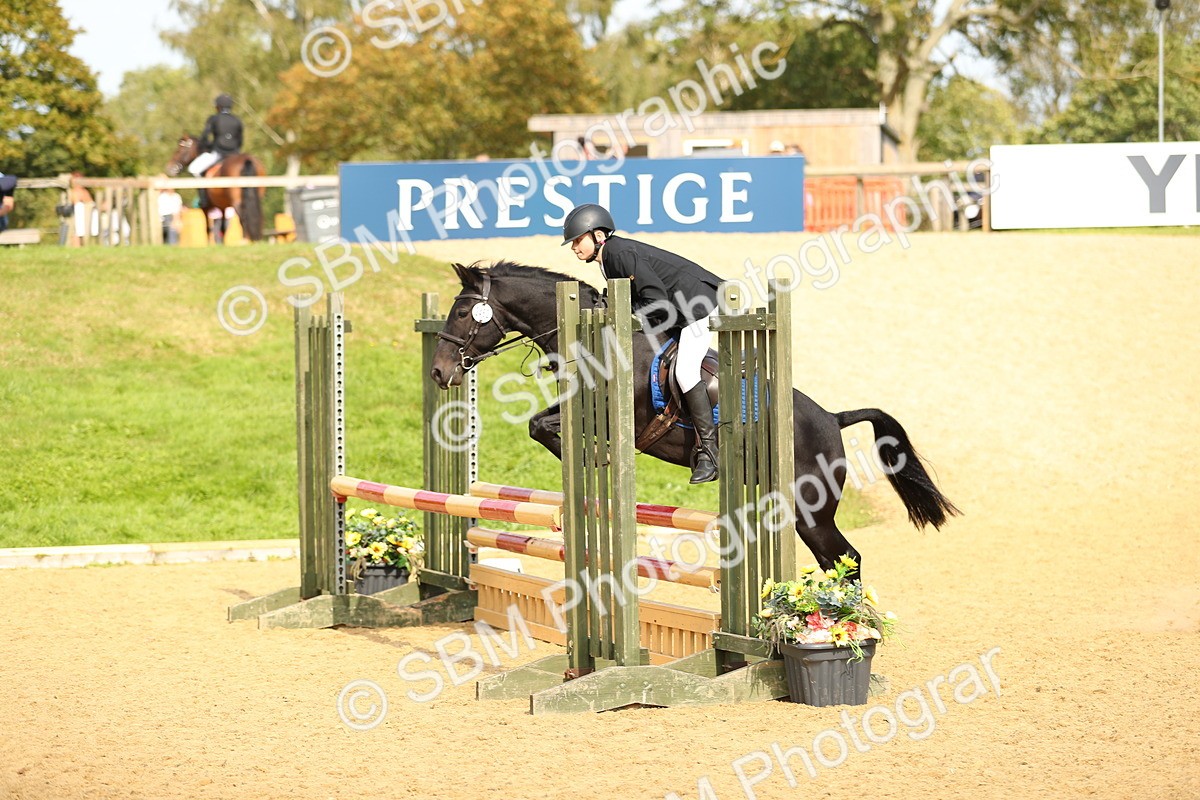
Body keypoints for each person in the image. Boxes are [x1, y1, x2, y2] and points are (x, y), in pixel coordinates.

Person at [562, 203, 722, 484]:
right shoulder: (609, 259)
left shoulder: (619, 254)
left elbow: (655, 300)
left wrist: (621, 308)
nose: (574, 247)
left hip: (699, 307)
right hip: (679, 311)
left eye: (577, 240)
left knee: (686, 372)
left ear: (598, 235)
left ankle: (709, 453)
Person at [189, 93, 244, 207]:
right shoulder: (237, 120)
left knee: (194, 169)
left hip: (218, 153)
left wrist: (208, 147)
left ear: (218, 106)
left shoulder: (214, 119)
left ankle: (204, 199)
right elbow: (240, 141)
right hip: (235, 154)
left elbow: (204, 138)